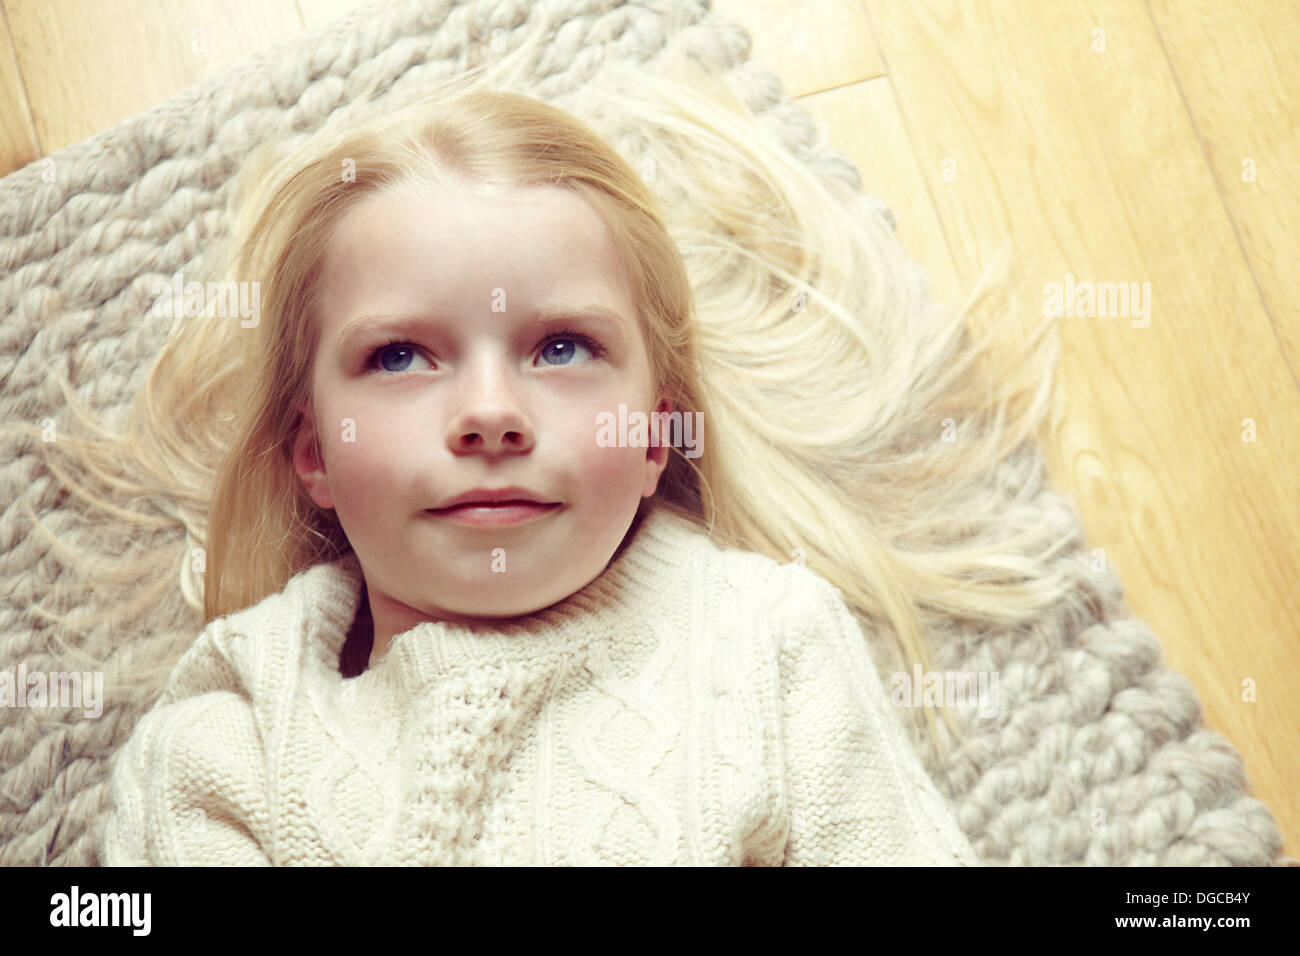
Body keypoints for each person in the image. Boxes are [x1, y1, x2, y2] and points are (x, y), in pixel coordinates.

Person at [29, 39, 1065, 866]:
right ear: (315, 457)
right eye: (400, 355)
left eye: (561, 346)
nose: (489, 413)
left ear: (658, 432)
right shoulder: (231, 740)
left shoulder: (764, 648)